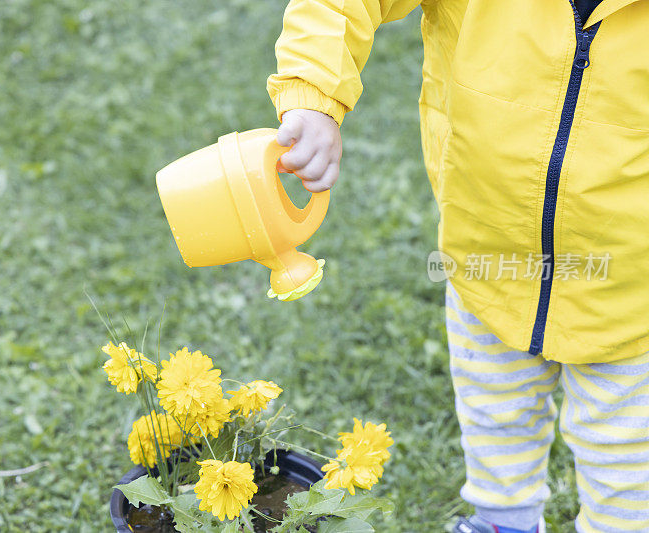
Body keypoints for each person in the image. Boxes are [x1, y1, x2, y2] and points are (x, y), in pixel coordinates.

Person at [266, 0, 649, 532]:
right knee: (494, 410)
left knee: (628, 457)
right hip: (485, 247)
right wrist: (312, 94)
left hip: (632, 288)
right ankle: (502, 522)